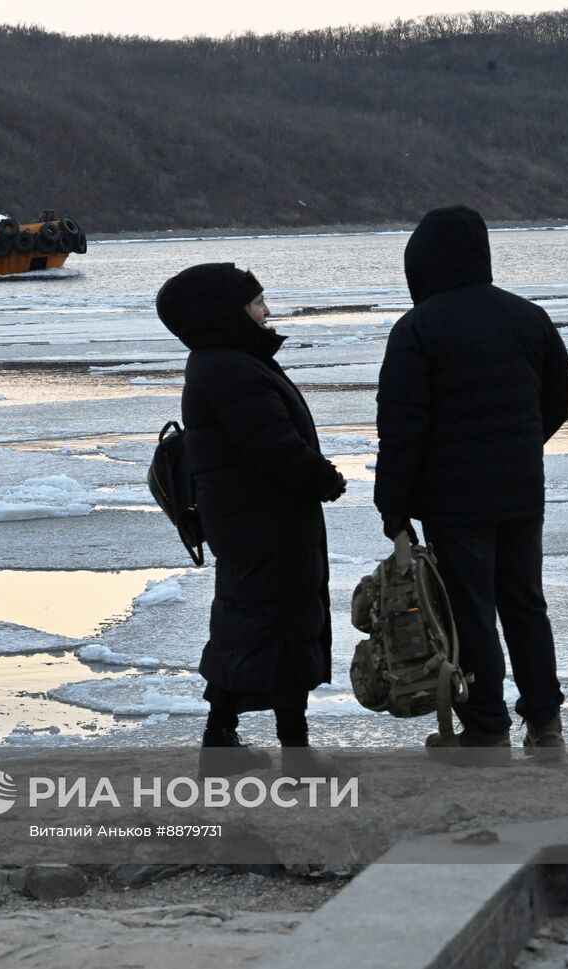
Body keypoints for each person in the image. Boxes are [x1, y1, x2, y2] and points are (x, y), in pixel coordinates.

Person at [374, 205, 568, 755]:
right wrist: (518, 445)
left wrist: (393, 508)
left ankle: (486, 723)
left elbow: (401, 427)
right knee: (525, 603)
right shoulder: (527, 316)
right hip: (519, 490)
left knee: (470, 609)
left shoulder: (417, 328)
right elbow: (562, 397)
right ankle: (545, 721)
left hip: (453, 499)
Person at [156, 263, 347, 769]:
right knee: (282, 629)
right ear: (227, 312)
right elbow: (274, 447)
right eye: (257, 302)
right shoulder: (231, 367)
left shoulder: (224, 361)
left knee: (247, 627)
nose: (267, 312)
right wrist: (324, 478)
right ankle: (295, 754)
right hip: (268, 524)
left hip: (251, 523)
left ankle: (221, 740)